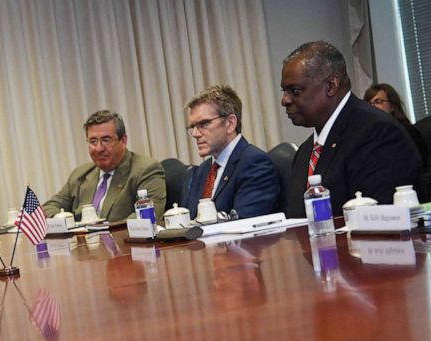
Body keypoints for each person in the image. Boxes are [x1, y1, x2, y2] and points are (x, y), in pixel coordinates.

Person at [280, 41, 424, 218]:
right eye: (284, 91)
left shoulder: (377, 133)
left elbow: (378, 222)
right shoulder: (305, 152)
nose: (284, 100)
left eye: (295, 90)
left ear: (331, 86)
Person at [42, 110, 166, 222]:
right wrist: (67, 224)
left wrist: (100, 232)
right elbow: (49, 208)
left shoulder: (146, 169)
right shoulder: (80, 174)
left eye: (106, 140)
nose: (99, 148)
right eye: (93, 141)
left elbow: (147, 216)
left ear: (123, 140)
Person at [181, 85, 281, 219]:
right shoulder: (203, 171)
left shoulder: (255, 163)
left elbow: (244, 225)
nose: (195, 133)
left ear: (230, 123)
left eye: (204, 124)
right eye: (193, 127)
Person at [363, 83, 429, 168]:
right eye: (368, 104)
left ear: (392, 106)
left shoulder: (408, 132)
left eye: (378, 102)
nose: (372, 107)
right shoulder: (367, 136)